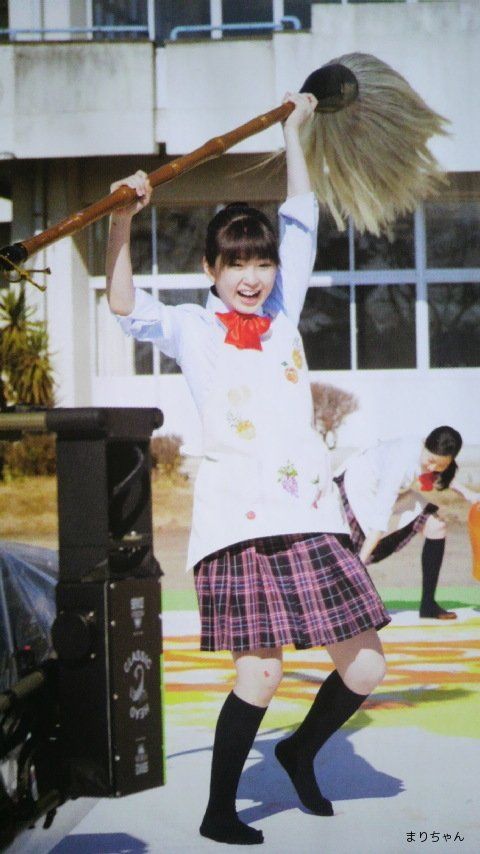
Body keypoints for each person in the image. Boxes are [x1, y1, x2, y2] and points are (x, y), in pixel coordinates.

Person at [106, 93, 390, 846]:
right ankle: (219, 811)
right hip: (236, 522)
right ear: (210, 267)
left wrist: (295, 132)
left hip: (310, 516)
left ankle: (299, 751)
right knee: (259, 676)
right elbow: (124, 305)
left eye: (261, 262)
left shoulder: (283, 314)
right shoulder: (190, 327)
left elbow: (301, 217)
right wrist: (122, 219)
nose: (253, 276)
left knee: (365, 668)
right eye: (237, 263)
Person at [334, 426, 478, 620]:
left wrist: (469, 494)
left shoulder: (427, 458)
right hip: (357, 492)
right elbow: (379, 520)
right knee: (347, 553)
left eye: (441, 465)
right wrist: (360, 564)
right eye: (431, 461)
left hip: (383, 493)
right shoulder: (401, 463)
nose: (433, 468)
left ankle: (428, 605)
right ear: (425, 445)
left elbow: (436, 477)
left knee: (436, 526)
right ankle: (336, 606)